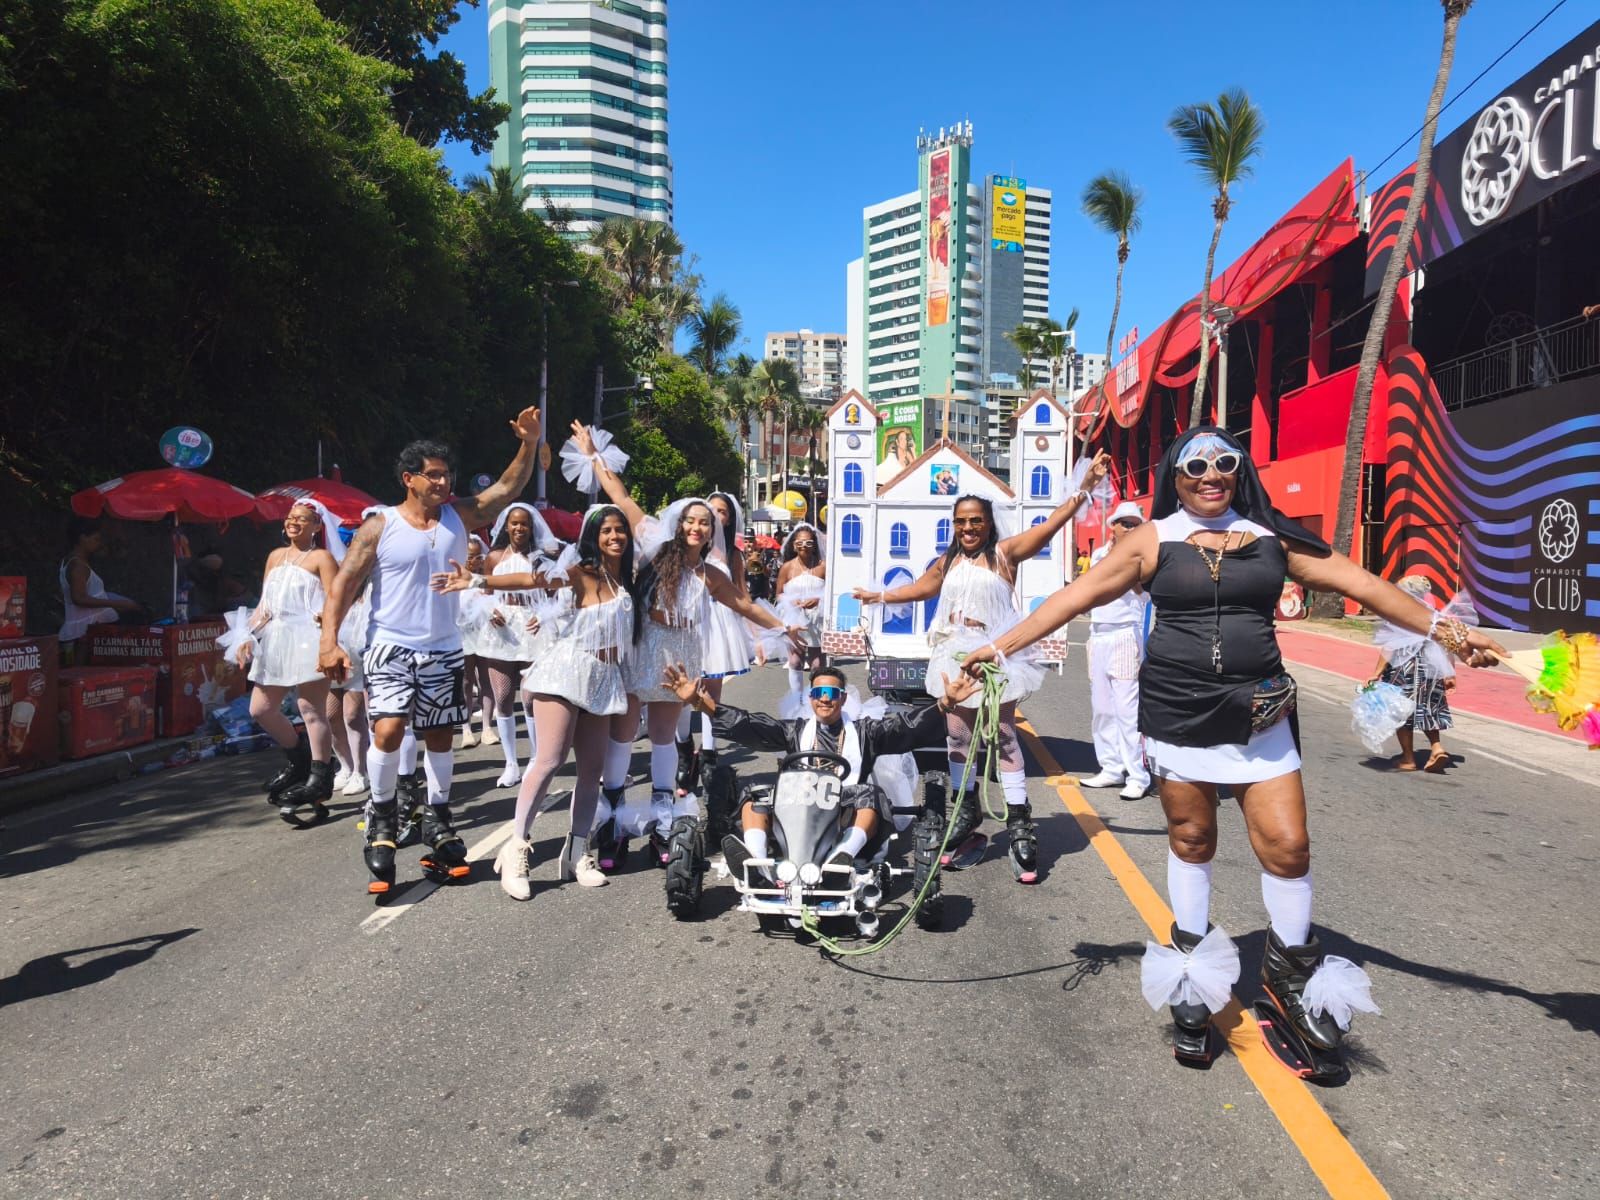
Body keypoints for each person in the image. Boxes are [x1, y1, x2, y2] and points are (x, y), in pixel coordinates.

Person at [961, 426, 1506, 1067]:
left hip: (1262, 710)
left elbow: (1364, 584)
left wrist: (1445, 628)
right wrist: (1001, 646)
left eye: (1225, 462)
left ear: (1239, 471)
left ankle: (1288, 980)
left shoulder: (1272, 537)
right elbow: (1074, 596)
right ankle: (1191, 970)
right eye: (1196, 465)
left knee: (1289, 845)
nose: (1211, 474)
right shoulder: (1150, 539)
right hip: (1180, 711)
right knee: (1193, 839)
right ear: (1177, 474)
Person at [852, 452, 1110, 887]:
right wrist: (877, 597)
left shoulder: (1006, 555)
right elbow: (921, 589)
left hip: (994, 656)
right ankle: (965, 807)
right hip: (951, 654)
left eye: (975, 521)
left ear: (989, 524)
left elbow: (1051, 526)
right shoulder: (948, 561)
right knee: (957, 735)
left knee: (1004, 737)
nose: (968, 528)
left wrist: (1083, 487)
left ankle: (1020, 823)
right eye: (961, 521)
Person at [319, 408, 543, 895]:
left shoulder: (458, 517)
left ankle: (437, 817)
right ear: (409, 479)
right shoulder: (379, 527)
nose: (443, 483)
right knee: (390, 728)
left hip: (443, 648)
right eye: (434, 475)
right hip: (390, 644)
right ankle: (380, 815)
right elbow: (342, 585)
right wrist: (329, 641)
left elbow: (506, 490)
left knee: (440, 736)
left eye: (447, 475)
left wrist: (529, 443)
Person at [570, 421, 802, 866]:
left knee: (662, 739)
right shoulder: (657, 547)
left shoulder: (709, 572)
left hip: (682, 658)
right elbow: (622, 498)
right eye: (691, 521)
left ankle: (662, 824)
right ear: (679, 524)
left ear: (712, 531)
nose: (697, 528)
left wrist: (782, 627)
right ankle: (613, 824)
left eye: (705, 523)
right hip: (643, 650)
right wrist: (594, 456)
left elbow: (744, 604)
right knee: (623, 736)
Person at [435, 505, 636, 900]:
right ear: (593, 537)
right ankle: (515, 848)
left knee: (592, 769)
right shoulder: (580, 573)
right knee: (549, 759)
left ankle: (578, 851)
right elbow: (530, 577)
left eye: (620, 530)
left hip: (603, 679)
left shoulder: (624, 579)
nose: (615, 537)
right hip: (565, 672)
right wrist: (478, 578)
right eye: (607, 531)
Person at [663, 662, 977, 879]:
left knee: (872, 795)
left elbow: (907, 728)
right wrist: (703, 704)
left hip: (844, 811)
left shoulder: (866, 732)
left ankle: (840, 858)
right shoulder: (795, 730)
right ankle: (756, 861)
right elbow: (751, 725)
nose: (824, 700)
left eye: (831, 694)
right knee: (755, 795)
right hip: (797, 810)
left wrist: (944, 704)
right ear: (811, 699)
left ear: (842, 698)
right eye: (818, 694)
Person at [225, 501, 342, 821]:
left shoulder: (322, 558)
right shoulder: (275, 557)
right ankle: (300, 761)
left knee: (310, 708)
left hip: (309, 637)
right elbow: (265, 605)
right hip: (276, 639)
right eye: (291, 518)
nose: (294, 523)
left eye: (302, 519)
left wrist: (327, 628)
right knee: (260, 709)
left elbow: (335, 599)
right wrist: (246, 636)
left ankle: (320, 775)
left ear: (317, 526)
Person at [678, 492, 756, 793]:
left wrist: (760, 633)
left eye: (721, 511)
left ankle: (709, 753)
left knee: (712, 693)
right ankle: (685, 751)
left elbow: (742, 595)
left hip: (718, 626)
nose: (716, 515)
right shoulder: (683, 550)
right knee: (683, 693)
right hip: (686, 625)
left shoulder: (732, 555)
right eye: (711, 510)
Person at [1079, 501, 1153, 800]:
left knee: (1127, 710)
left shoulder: (1145, 557)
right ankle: (1111, 768)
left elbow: (1146, 596)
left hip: (1125, 635)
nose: (1130, 528)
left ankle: (1138, 774)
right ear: (1113, 526)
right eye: (1125, 523)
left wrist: (1129, 569)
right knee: (1102, 709)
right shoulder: (1098, 555)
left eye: (1135, 524)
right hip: (1098, 635)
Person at [480, 503, 558, 788]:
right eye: (514, 523)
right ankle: (511, 762)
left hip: (533, 629)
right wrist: (490, 609)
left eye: (524, 523)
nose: (519, 528)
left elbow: (556, 597)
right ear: (506, 526)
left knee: (529, 697)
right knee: (501, 696)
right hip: (502, 632)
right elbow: (483, 593)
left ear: (532, 527)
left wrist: (543, 616)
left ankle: (536, 760)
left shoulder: (543, 559)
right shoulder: (494, 557)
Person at [1367, 575, 1455, 773]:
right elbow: (1446, 644)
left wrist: (1376, 672)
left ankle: (1408, 759)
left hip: (1404, 668)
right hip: (1431, 668)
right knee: (1428, 708)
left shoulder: (1400, 614)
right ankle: (1436, 748)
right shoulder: (1434, 616)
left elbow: (1390, 647)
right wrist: (1450, 673)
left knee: (1402, 712)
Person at [59, 517, 145, 653]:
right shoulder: (77, 566)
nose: (98, 544)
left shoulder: (73, 562)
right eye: (95, 539)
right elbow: (79, 598)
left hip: (91, 630)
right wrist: (117, 604)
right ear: (83, 538)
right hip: (83, 634)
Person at [774, 523, 826, 696]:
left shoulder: (823, 566)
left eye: (808, 543)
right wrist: (791, 600)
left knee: (817, 664)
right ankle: (796, 701)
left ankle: (816, 698)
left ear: (814, 544)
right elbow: (779, 594)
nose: (804, 546)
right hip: (794, 618)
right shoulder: (787, 567)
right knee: (795, 661)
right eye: (800, 543)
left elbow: (833, 591)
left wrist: (819, 598)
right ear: (794, 545)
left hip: (817, 619)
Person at [456, 535, 492, 749]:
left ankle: (487, 726)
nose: (474, 561)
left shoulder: (487, 579)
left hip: (485, 635)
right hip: (462, 635)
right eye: (470, 556)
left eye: (478, 556)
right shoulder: (456, 578)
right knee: (466, 682)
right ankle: (466, 727)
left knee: (486, 680)